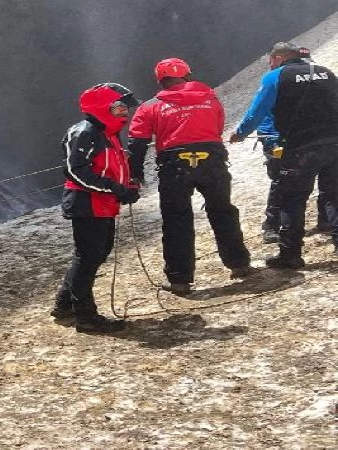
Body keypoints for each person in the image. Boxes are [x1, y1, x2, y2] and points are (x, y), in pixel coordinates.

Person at [128, 58, 252, 295]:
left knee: (177, 219)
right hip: (212, 159)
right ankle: (239, 263)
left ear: (161, 80)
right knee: (223, 211)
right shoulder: (209, 97)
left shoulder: (150, 106)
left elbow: (137, 142)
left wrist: (135, 174)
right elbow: (217, 127)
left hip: (174, 165)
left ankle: (180, 279)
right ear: (187, 75)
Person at [230, 42, 338, 267]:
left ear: (278, 58)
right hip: (334, 143)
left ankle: (291, 254)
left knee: (293, 199)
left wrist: (239, 134)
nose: (270, 65)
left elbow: (257, 111)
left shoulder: (276, 77)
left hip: (300, 147)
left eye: (270, 61)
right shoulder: (325, 73)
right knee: (334, 195)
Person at [50, 83, 140, 333]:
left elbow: (109, 167)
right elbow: (76, 171)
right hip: (86, 203)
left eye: (125, 108)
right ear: (103, 107)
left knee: (97, 254)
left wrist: (126, 185)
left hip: (102, 202)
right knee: (88, 257)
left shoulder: (107, 133)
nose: (125, 112)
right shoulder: (85, 132)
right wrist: (116, 189)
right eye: (120, 107)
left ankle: (65, 305)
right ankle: (86, 318)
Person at [254, 48, 331, 244]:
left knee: (304, 190)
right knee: (283, 184)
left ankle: (320, 224)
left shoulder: (301, 80)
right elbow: (264, 115)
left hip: (301, 143)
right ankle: (272, 227)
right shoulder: (279, 81)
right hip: (282, 141)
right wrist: (271, 141)